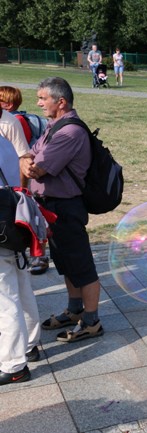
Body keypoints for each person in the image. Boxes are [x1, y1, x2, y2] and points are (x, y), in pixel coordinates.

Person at [20, 77, 104, 342]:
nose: (39, 103)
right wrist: (26, 161)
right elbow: (28, 155)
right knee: (66, 264)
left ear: (61, 102)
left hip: (66, 207)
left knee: (82, 266)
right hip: (52, 208)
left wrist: (28, 164)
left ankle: (91, 322)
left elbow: (36, 167)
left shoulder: (70, 132)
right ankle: (75, 310)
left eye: (43, 98)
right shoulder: (53, 126)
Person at [0, 138, 42, 385]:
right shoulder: (4, 140)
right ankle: (29, 345)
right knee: (21, 287)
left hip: (3, 227)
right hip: (14, 223)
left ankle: (14, 365)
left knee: (6, 299)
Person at [0, 86, 50, 275]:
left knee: (33, 217)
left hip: (18, 182)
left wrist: (22, 188)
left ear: (8, 104)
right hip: (9, 184)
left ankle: (40, 256)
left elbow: (23, 155)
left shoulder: (12, 122)